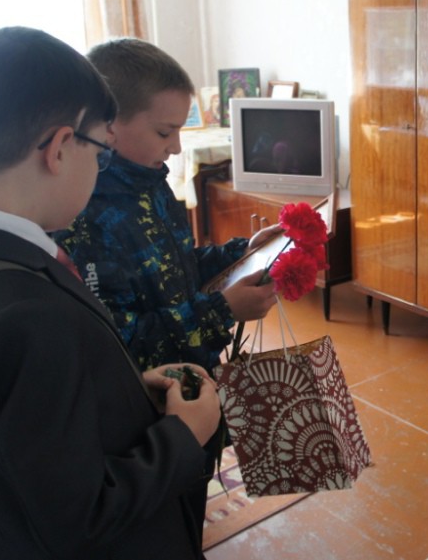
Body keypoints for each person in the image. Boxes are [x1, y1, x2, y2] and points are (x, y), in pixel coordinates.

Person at [0, 27, 220, 559]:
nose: (99, 167)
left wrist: (128, 390)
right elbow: (80, 518)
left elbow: (32, 429)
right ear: (61, 147)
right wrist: (183, 433)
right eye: (99, 149)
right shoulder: (26, 314)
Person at [52, 37, 278, 540]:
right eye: (165, 131)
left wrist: (240, 251)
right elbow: (118, 339)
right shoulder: (82, 213)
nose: (177, 146)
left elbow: (178, 266)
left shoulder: (151, 181)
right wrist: (222, 310)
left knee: (190, 495)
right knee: (162, 517)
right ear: (109, 125)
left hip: (193, 385)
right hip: (148, 412)